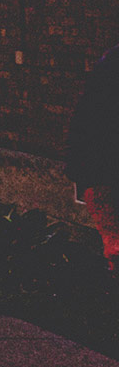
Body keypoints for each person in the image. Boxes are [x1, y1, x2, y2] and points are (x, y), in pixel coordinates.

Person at [68, 43, 119, 265]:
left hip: (96, 170)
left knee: (113, 242)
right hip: (102, 170)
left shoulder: (107, 65)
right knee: (114, 243)